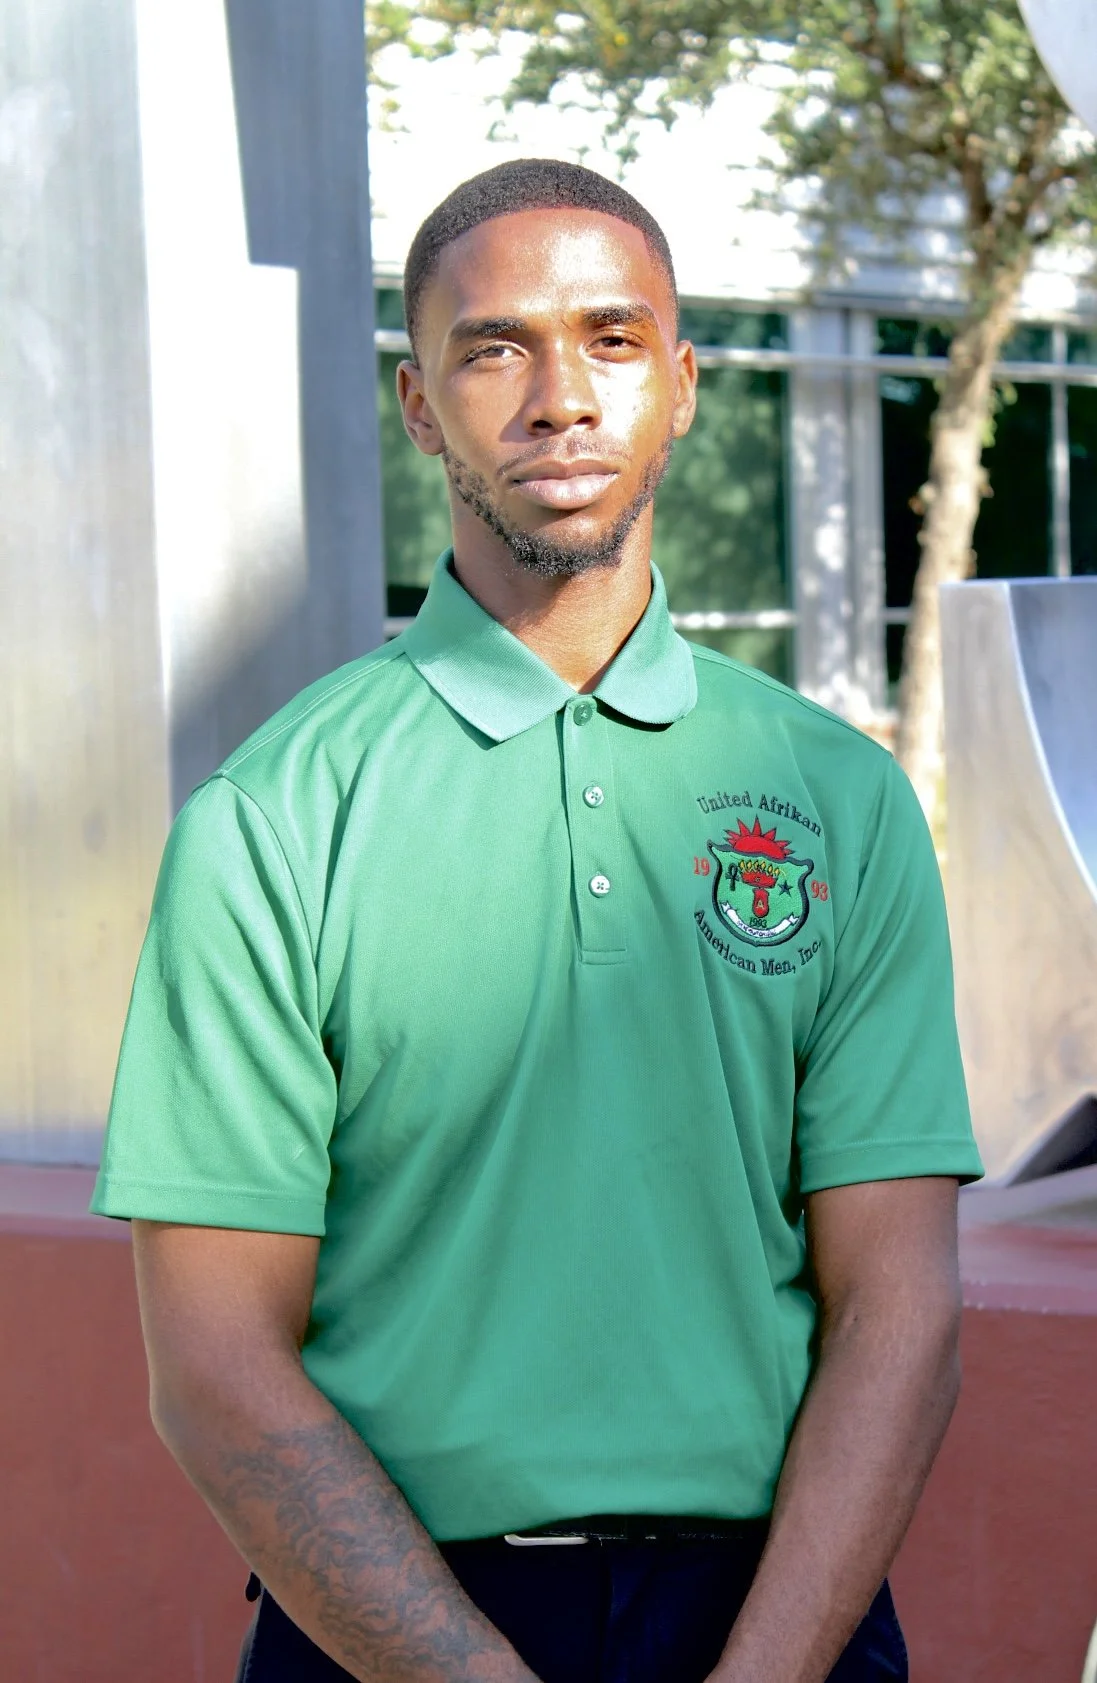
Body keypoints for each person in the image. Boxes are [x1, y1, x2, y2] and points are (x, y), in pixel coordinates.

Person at [91, 158, 983, 1683]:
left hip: (780, 1619)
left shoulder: (837, 797)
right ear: (419, 405)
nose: (560, 397)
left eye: (613, 340)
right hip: (394, 1630)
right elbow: (218, 1367)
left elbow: (895, 1302)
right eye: (494, 347)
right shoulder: (274, 820)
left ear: (686, 385)